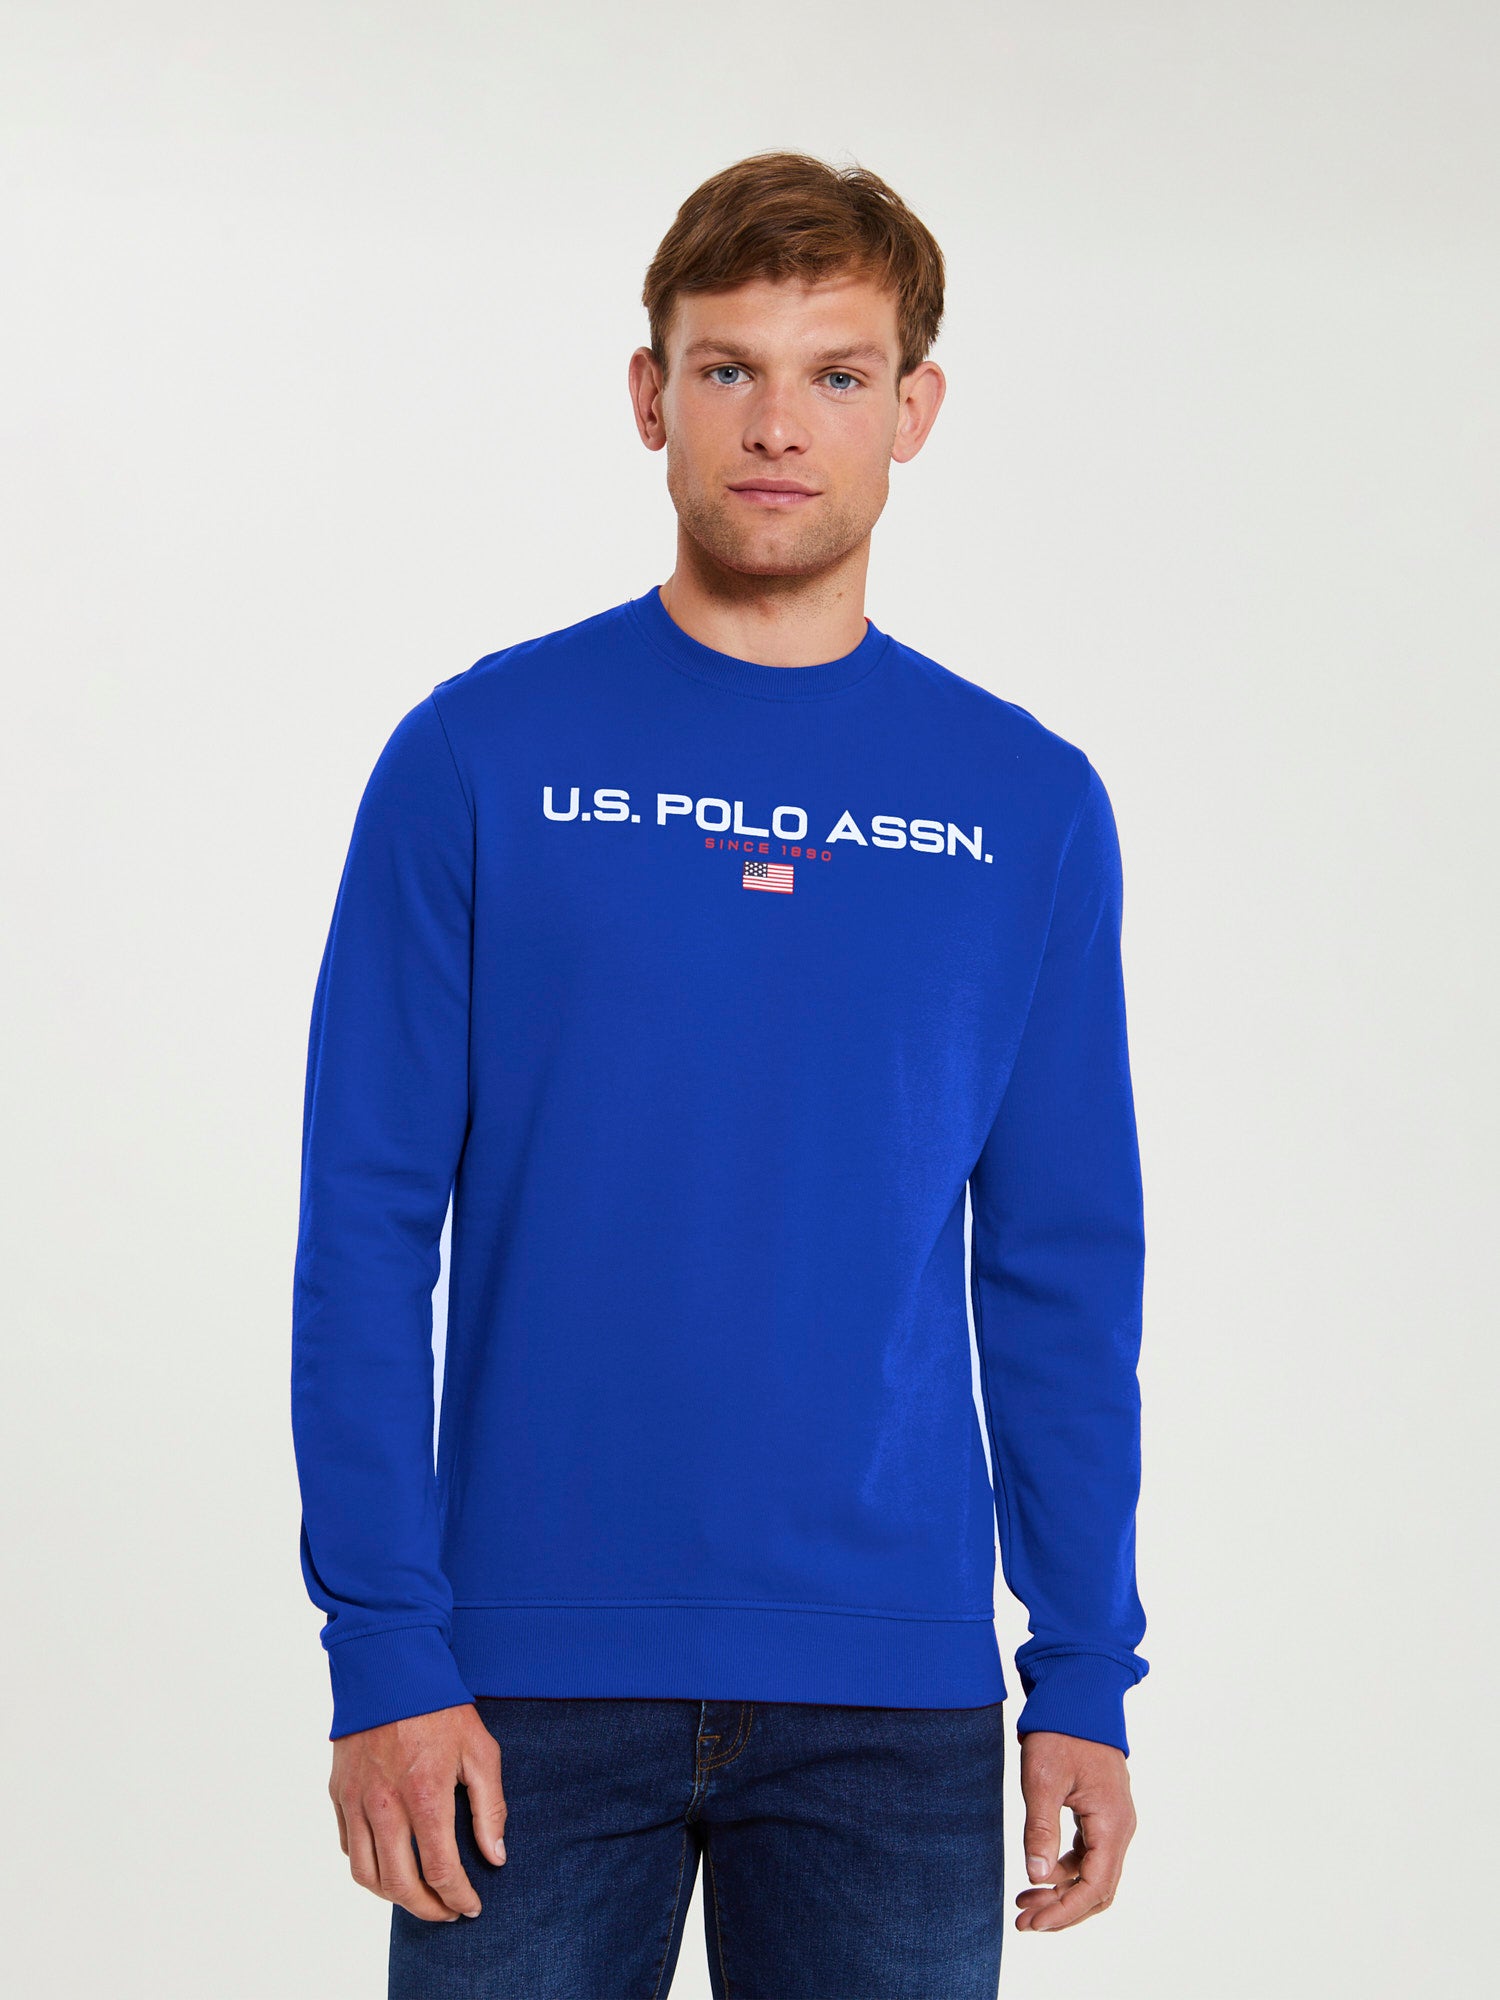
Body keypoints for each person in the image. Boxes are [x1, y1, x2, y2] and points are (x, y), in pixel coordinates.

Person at [290, 149, 1149, 2000]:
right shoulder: (478, 756)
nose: (778, 424)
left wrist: (1084, 1668)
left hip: (893, 1700)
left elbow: (1063, 1266)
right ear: (649, 394)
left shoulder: (1025, 804)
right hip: (513, 1684)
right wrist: (385, 1654)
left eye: (837, 373)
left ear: (913, 410)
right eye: (728, 367)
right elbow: (362, 1226)